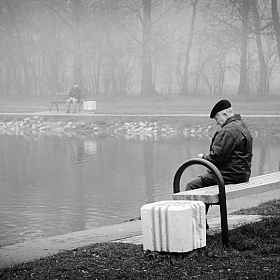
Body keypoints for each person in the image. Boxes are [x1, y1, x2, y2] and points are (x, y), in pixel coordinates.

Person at [186, 99, 253, 232]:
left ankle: (198, 227)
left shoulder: (228, 131)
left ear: (224, 114)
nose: (217, 122)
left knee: (192, 186)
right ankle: (200, 224)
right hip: (241, 174)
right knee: (202, 187)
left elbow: (217, 157)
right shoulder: (241, 125)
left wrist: (203, 157)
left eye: (217, 118)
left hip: (228, 175)